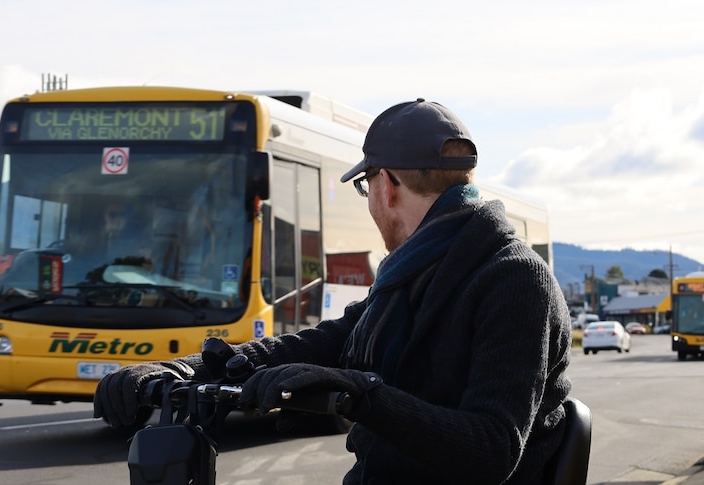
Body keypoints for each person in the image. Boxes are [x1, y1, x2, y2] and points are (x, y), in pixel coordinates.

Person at [94, 98, 572, 484]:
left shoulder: (512, 279)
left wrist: (362, 395)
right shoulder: (415, 272)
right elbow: (317, 343)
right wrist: (183, 367)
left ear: (385, 186)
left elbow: (492, 450)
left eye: (366, 189)